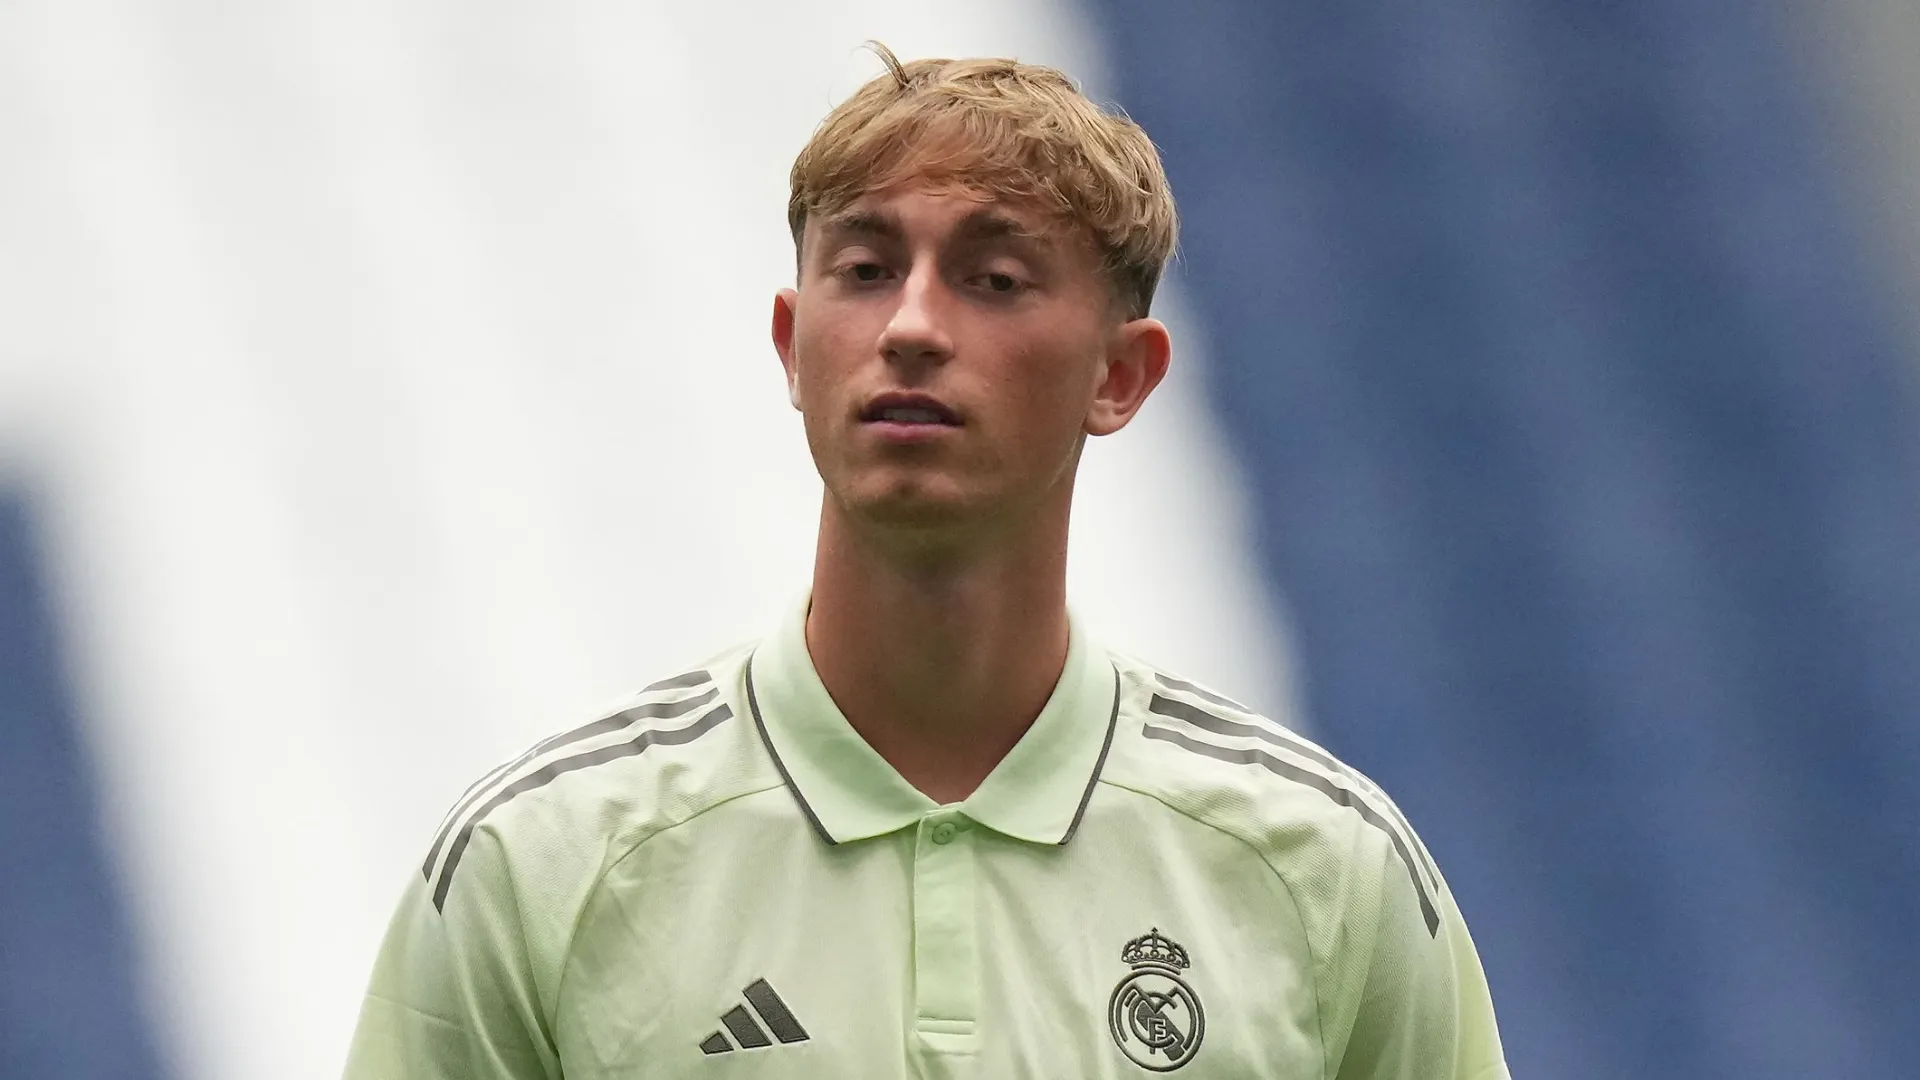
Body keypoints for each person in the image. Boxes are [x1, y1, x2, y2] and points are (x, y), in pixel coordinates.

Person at [343, 44, 1510, 1080]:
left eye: (993, 279)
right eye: (864, 269)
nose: (909, 326)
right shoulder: (545, 861)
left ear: (1120, 376)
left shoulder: (1324, 871)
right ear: (793, 347)